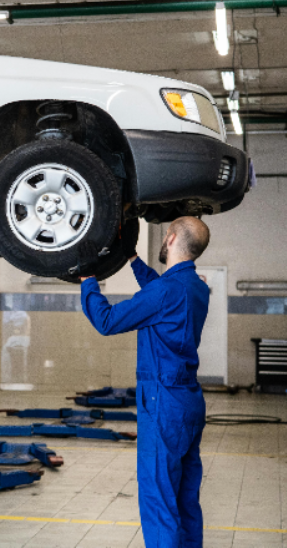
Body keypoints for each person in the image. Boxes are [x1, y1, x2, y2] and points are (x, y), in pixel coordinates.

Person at [78, 216, 211, 548]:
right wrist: (132, 258)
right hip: (189, 402)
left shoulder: (166, 291)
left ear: (169, 238)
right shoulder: (196, 287)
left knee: (159, 500)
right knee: (185, 500)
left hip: (163, 401)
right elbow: (157, 290)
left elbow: (107, 322)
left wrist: (87, 280)